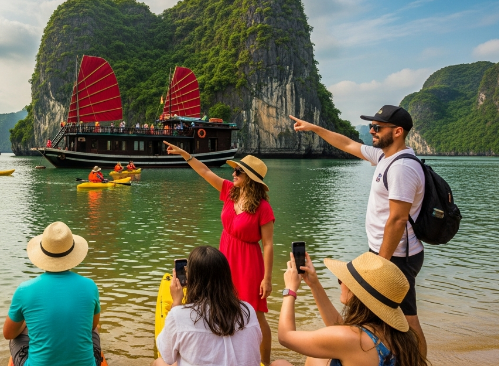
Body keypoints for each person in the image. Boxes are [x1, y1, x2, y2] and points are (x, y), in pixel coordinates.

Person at [290, 104, 427, 355]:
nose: (372, 131)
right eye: (371, 127)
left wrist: (379, 267)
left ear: (397, 132)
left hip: (396, 256)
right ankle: (386, 358)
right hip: (385, 252)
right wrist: (315, 128)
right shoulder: (386, 157)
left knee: (408, 320)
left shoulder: (402, 167)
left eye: (377, 127)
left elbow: (397, 220)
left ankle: (415, 362)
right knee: (381, 318)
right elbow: (348, 144)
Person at [164, 141, 275, 364]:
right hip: (224, 257)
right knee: (221, 303)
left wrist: (267, 278)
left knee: (254, 313)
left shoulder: (263, 207)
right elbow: (205, 172)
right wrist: (187, 155)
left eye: (238, 171)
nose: (233, 173)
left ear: (251, 178)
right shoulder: (229, 192)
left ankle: (265, 361)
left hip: (249, 263)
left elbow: (269, 244)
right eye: (234, 170)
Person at [272, 251, 429, 366]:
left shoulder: (352, 339)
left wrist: (290, 289)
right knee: (317, 358)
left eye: (342, 280)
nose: (340, 283)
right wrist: (314, 284)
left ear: (357, 292)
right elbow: (339, 329)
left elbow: (285, 337)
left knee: (279, 364)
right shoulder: (397, 337)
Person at [3, 222, 102, 366]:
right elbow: (92, 326)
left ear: (43, 253)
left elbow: (8, 334)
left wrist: (25, 323)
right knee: (95, 330)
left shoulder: (24, 290)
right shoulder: (90, 286)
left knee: (17, 336)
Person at [154, 246, 261, 366]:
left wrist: (176, 303)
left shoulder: (179, 315)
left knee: (158, 362)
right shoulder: (248, 311)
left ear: (192, 279)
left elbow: (166, 355)